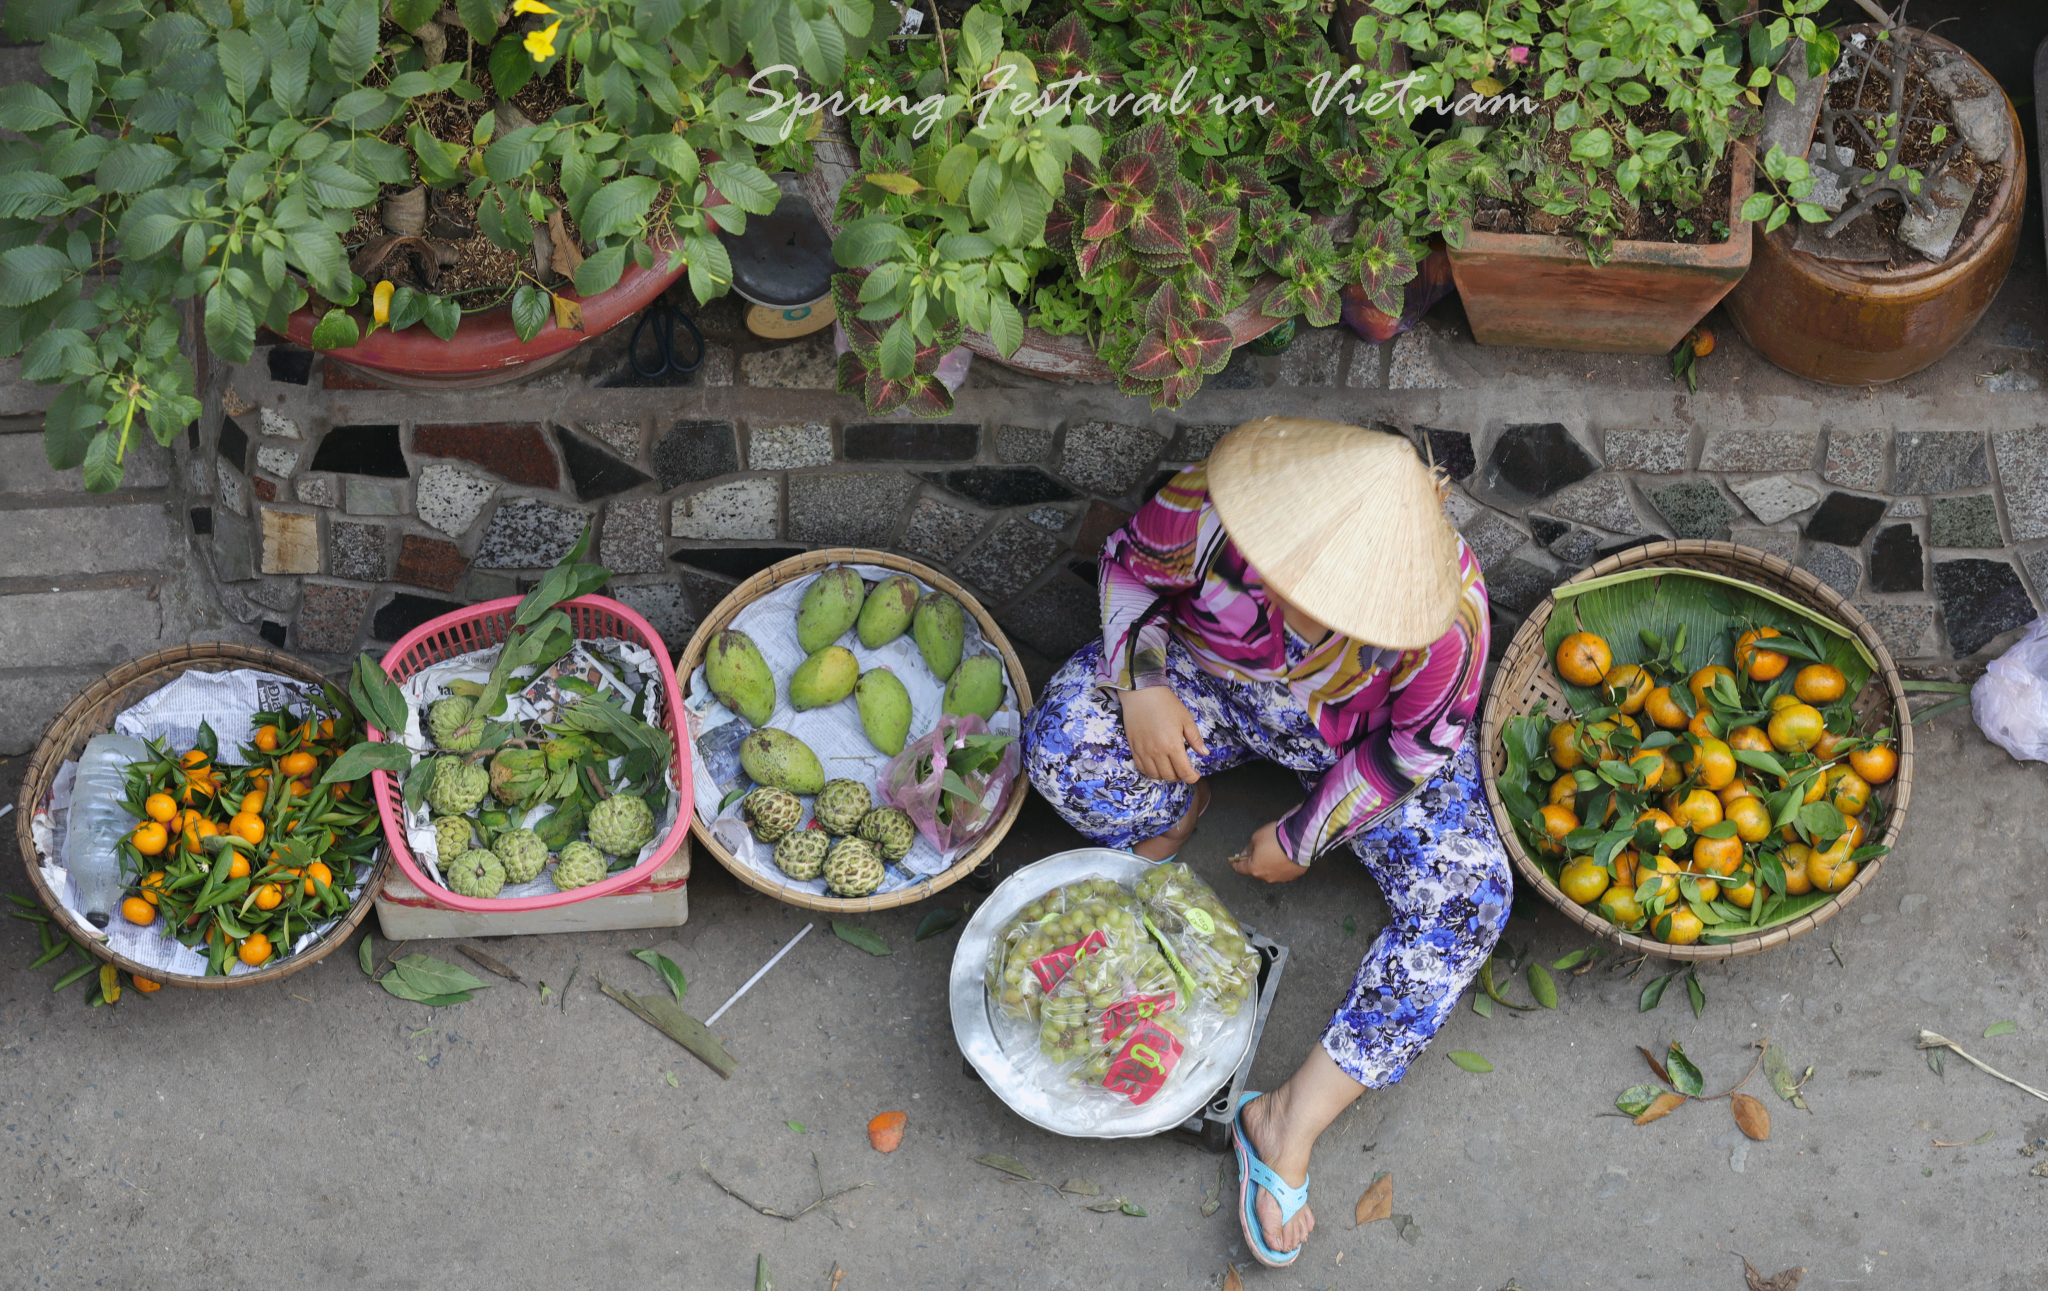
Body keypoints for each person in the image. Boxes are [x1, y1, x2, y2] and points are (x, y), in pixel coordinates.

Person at [1021, 417, 1510, 1267]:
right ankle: (1177, 802)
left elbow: (1410, 750)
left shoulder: (1448, 617)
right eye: (1286, 580)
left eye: (1332, 613)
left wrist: (1306, 831)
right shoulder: (1215, 506)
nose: (1293, 615)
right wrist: (1138, 683)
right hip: (1206, 684)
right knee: (1060, 748)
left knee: (1471, 901)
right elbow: (1129, 569)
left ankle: (1287, 1118)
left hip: (1347, 749)